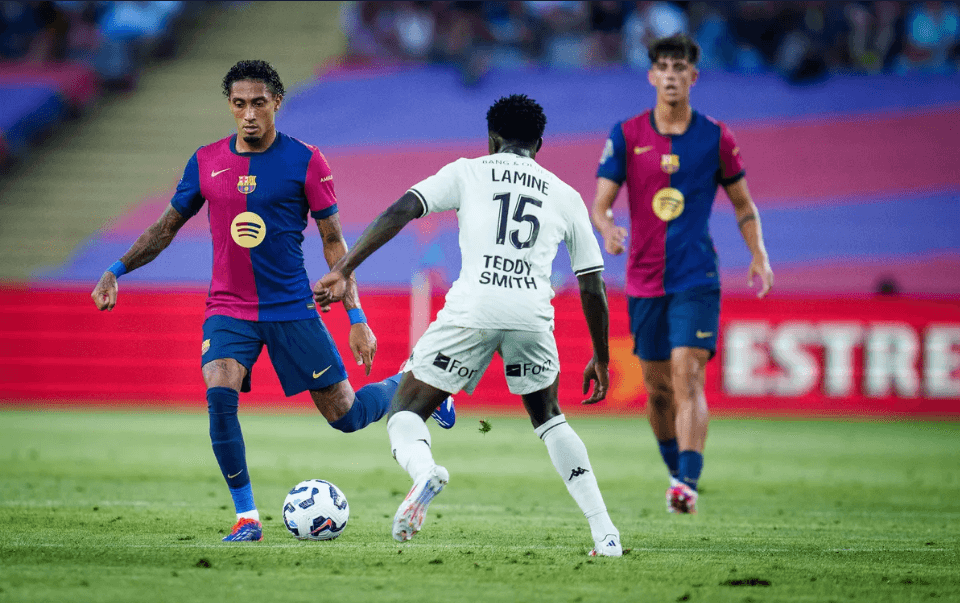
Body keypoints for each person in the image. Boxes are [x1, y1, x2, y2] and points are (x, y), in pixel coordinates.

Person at [90, 60, 454, 542]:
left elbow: (334, 243)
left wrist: (356, 315)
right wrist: (116, 270)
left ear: (276, 102)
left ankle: (422, 383)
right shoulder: (206, 161)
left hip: (290, 308)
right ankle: (246, 517)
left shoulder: (306, 161)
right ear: (229, 106)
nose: (248, 115)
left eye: (258, 103)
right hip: (228, 308)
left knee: (346, 417)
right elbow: (164, 229)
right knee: (219, 393)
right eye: (239, 104)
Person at [316, 94, 623, 557]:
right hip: (531, 316)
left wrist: (345, 268)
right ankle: (605, 534)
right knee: (550, 420)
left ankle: (425, 473)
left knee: (404, 410)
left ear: (491, 139)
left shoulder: (468, 170)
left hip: (473, 310)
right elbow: (592, 284)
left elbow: (402, 210)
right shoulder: (565, 194)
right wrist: (600, 357)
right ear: (539, 142)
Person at [591, 34, 773, 514]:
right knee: (657, 389)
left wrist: (759, 254)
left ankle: (687, 484)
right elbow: (600, 205)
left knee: (687, 373)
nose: (671, 74)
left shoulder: (716, 137)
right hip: (644, 281)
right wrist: (608, 230)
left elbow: (743, 205)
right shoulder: (627, 135)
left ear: (694, 76)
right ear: (651, 75)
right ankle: (676, 470)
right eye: (663, 67)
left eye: (680, 67)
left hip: (696, 278)